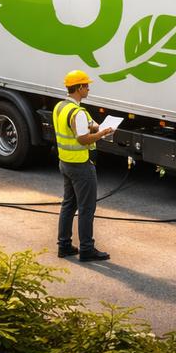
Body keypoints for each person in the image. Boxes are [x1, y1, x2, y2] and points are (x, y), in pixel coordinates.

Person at [54, 70, 115, 262]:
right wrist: (102, 133)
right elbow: (83, 139)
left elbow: (86, 125)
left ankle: (64, 246)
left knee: (68, 205)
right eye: (86, 85)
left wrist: (97, 126)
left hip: (65, 162)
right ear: (79, 88)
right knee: (86, 208)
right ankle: (87, 249)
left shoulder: (61, 106)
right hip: (81, 164)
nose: (89, 88)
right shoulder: (77, 112)